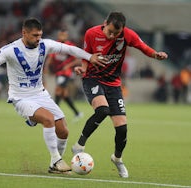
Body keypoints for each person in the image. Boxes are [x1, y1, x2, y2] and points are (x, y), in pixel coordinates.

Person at [0, 18, 106, 174]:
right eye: (34, 35)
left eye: (40, 35)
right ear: (24, 33)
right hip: (21, 97)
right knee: (48, 119)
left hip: (40, 94)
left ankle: (55, 163)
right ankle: (56, 160)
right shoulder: (10, 50)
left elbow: (70, 50)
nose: (38, 38)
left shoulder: (44, 45)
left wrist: (89, 56)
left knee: (63, 130)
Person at [71, 12, 168, 178]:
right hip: (93, 79)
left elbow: (143, 47)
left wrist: (155, 54)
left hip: (114, 84)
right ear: (105, 23)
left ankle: (117, 158)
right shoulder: (91, 33)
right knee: (102, 110)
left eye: (116, 33)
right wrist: (84, 69)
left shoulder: (127, 35)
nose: (112, 35)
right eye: (110, 31)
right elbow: (86, 54)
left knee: (122, 128)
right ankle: (79, 146)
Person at [45, 29, 83, 121]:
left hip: (66, 73)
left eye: (64, 35)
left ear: (67, 36)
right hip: (58, 72)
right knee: (64, 94)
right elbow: (50, 57)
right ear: (58, 35)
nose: (62, 37)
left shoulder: (70, 46)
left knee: (58, 90)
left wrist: (68, 65)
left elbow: (78, 60)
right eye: (61, 35)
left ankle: (54, 114)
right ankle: (77, 113)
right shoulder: (55, 45)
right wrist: (46, 67)